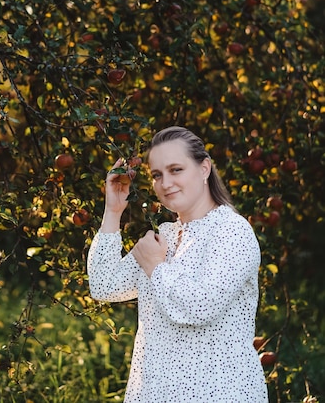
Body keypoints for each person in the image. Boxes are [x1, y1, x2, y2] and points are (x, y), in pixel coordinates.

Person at [87, 126, 269, 403]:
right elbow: (104, 286)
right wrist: (113, 211)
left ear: (204, 168)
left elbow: (199, 307)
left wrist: (156, 268)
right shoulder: (165, 237)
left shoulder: (231, 231)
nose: (165, 183)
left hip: (220, 394)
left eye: (176, 170)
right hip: (154, 393)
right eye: (157, 175)